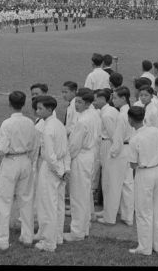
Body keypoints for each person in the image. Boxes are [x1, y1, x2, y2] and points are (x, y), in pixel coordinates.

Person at [0, 91, 37, 252]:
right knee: (26, 199)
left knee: (5, 201)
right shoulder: (30, 122)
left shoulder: (7, 124)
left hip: (11, 161)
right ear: (23, 104)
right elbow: (34, 144)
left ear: (10, 104)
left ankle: (2, 241)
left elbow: (2, 149)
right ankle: (27, 236)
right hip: (25, 161)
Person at [127, 105, 158, 256]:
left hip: (145, 173)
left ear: (130, 120)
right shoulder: (155, 131)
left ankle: (144, 247)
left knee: (144, 211)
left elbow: (132, 164)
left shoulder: (134, 139)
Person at [34, 95, 70, 252]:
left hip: (51, 169)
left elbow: (49, 155)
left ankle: (49, 242)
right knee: (58, 205)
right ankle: (57, 236)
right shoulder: (58, 124)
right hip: (60, 166)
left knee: (48, 205)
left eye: (40, 108)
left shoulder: (48, 128)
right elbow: (66, 150)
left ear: (49, 109)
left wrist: (60, 171)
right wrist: (65, 169)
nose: (37, 110)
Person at [63, 88, 96, 242]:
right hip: (89, 155)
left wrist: (67, 160)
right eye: (76, 101)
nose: (77, 104)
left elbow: (74, 145)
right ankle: (84, 227)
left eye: (80, 102)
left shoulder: (83, 120)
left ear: (88, 103)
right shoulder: (93, 114)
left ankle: (77, 232)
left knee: (78, 195)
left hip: (81, 156)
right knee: (84, 193)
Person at [93, 88, 120, 224]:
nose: (94, 101)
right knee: (106, 180)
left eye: (96, 98)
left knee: (108, 180)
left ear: (103, 99)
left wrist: (113, 151)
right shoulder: (109, 111)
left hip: (108, 145)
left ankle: (109, 214)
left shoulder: (107, 114)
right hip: (106, 143)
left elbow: (113, 134)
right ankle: (107, 209)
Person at [110, 86, 135, 226]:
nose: (113, 100)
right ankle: (128, 215)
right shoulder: (129, 112)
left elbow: (118, 138)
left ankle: (113, 214)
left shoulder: (121, 115)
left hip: (121, 150)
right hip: (129, 149)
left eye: (115, 98)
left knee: (116, 183)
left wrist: (112, 153)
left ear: (123, 98)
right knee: (128, 183)